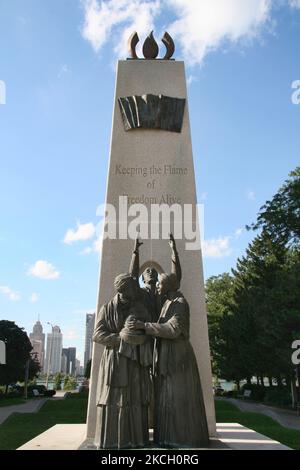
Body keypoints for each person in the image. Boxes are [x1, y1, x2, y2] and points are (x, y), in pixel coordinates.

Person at [128, 272, 209, 448]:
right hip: (166, 356)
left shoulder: (180, 303)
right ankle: (166, 438)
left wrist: (144, 326)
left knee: (178, 397)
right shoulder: (167, 303)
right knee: (167, 398)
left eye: (160, 283)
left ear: (170, 285)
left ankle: (183, 438)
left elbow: (173, 329)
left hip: (178, 358)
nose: (156, 286)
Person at [93, 273, 152, 449]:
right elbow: (97, 335)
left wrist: (140, 335)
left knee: (135, 398)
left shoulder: (140, 308)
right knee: (115, 399)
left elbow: (148, 329)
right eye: (134, 286)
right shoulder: (107, 308)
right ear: (125, 289)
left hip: (135, 361)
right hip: (116, 360)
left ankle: (136, 440)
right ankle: (113, 441)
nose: (136, 289)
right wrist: (121, 338)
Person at [129, 233, 181, 321]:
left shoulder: (163, 294)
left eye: (154, 272)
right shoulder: (141, 293)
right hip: (145, 330)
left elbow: (175, 279)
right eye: (147, 271)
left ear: (157, 277)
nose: (151, 273)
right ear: (142, 279)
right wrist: (135, 252)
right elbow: (133, 278)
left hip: (162, 331)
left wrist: (174, 252)